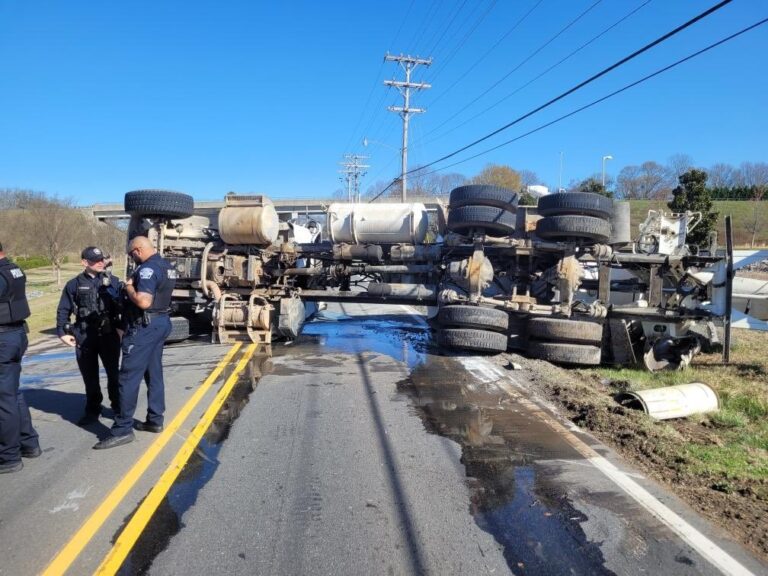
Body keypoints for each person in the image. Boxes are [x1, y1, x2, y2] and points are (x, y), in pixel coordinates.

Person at [94, 236, 176, 450]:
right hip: (161, 322)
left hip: (144, 327)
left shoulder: (147, 269)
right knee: (153, 372)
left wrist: (129, 287)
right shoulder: (167, 266)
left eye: (131, 255)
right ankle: (155, 419)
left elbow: (143, 301)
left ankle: (122, 429)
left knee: (128, 377)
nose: (132, 259)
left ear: (137, 251)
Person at [56, 246, 122, 425]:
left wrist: (122, 329)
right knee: (89, 376)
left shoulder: (113, 282)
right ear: (84, 262)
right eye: (95, 261)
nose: (101, 263)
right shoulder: (74, 284)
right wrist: (62, 332)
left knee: (114, 374)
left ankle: (118, 408)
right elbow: (63, 310)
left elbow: (122, 307)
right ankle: (93, 409)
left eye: (102, 260)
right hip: (85, 336)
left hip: (108, 336)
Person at [0, 242, 41, 474]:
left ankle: (9, 456)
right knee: (12, 394)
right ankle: (29, 443)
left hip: (3, 338)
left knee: (3, 400)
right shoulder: (14, 269)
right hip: (15, 335)